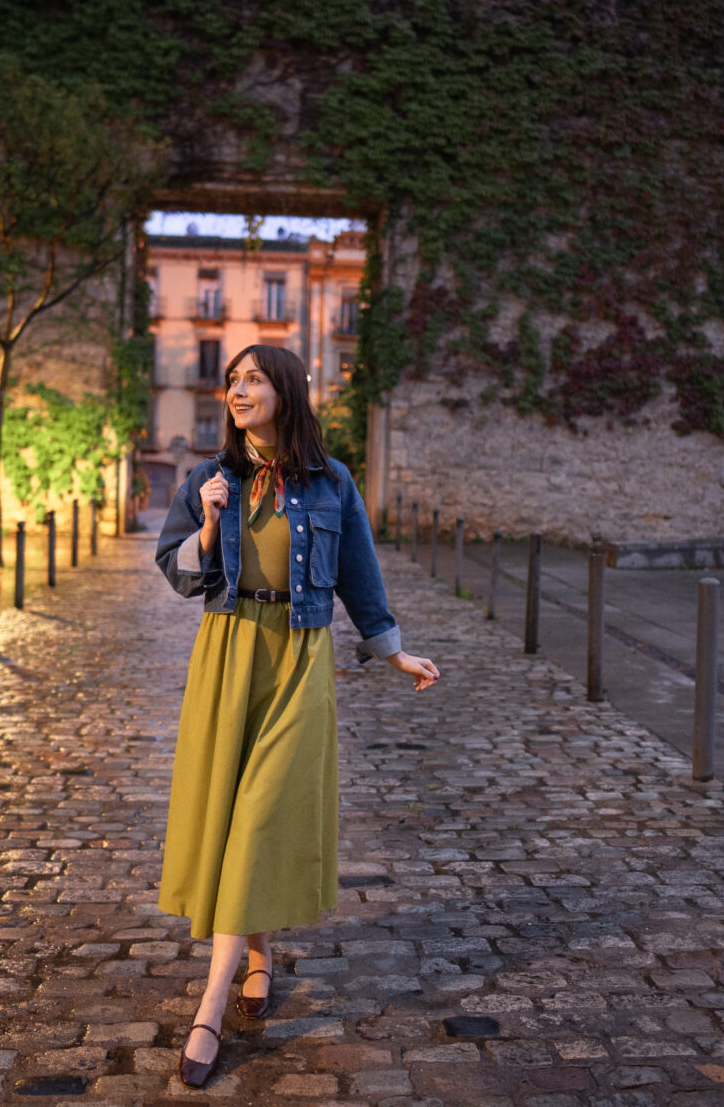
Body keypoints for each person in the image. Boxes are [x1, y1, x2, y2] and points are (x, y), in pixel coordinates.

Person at [154, 344, 439, 1089]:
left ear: (284, 390)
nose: (237, 390)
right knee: (231, 811)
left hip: (300, 656)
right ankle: (256, 957)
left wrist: (390, 650)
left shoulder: (330, 481)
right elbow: (175, 573)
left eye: (252, 379)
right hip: (229, 652)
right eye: (232, 381)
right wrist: (210, 525)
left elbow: (359, 575)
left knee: (262, 814)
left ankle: (210, 1006)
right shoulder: (209, 480)